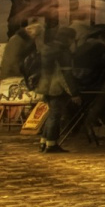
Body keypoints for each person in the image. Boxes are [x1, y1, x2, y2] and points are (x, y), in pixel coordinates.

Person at [34, 24, 81, 153]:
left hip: (44, 85)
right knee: (56, 115)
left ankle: (44, 142)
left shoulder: (46, 48)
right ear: (68, 38)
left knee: (51, 114)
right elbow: (66, 75)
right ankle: (52, 144)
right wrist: (74, 93)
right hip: (57, 87)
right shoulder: (63, 52)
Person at [0, 22, 36, 97]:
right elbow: (13, 61)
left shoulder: (19, 40)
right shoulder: (18, 41)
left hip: (11, 76)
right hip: (12, 78)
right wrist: (22, 75)